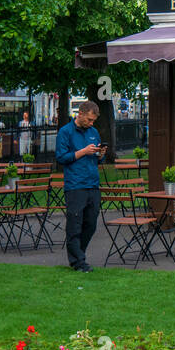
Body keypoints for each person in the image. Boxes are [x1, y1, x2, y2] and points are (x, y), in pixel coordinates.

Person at [55, 99, 106, 272]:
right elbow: (61, 158)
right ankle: (78, 262)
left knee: (91, 224)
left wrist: (100, 155)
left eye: (93, 121)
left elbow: (99, 159)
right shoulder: (65, 132)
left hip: (93, 183)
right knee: (75, 224)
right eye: (89, 120)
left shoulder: (93, 132)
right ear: (81, 114)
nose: (91, 123)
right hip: (75, 184)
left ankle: (79, 255)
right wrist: (83, 152)